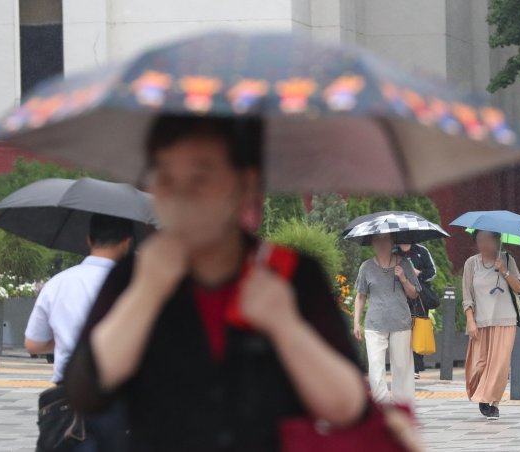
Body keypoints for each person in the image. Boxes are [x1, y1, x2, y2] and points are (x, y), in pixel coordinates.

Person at [64, 115, 367, 451]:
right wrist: (146, 294)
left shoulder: (291, 273)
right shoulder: (133, 276)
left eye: (200, 177)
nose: (180, 195)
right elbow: (85, 393)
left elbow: (348, 406)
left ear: (245, 184)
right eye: (164, 177)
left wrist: (286, 326)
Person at [25, 213, 134, 451]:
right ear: (127, 242)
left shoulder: (59, 283)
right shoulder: (134, 285)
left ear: (88, 239)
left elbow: (33, 343)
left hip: (69, 402)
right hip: (122, 401)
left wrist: (67, 338)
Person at [354, 233, 421, 405]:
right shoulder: (366, 267)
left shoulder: (404, 263)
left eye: (386, 239)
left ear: (393, 242)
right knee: (376, 368)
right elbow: (360, 296)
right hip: (374, 325)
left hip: (400, 323)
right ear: (373, 243)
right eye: (378, 239)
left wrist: (404, 278)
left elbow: (414, 294)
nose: (382, 243)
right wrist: (356, 322)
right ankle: (382, 407)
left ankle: (402, 406)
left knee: (401, 368)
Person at [462, 230, 520, 420]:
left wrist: (504, 270)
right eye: (480, 239)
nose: (484, 243)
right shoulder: (471, 263)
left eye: (488, 239)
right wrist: (470, 320)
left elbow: (519, 287)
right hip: (480, 321)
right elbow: (467, 296)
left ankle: (494, 402)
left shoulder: (507, 259)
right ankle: (481, 393)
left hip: (506, 320)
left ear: (497, 240)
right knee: (478, 366)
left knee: (500, 365)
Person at [394, 242, 437, 379]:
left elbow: (432, 272)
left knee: (418, 329)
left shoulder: (421, 251)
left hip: (419, 297)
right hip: (399, 295)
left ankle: (416, 368)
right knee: (401, 331)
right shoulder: (393, 252)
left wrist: (419, 273)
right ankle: (401, 365)